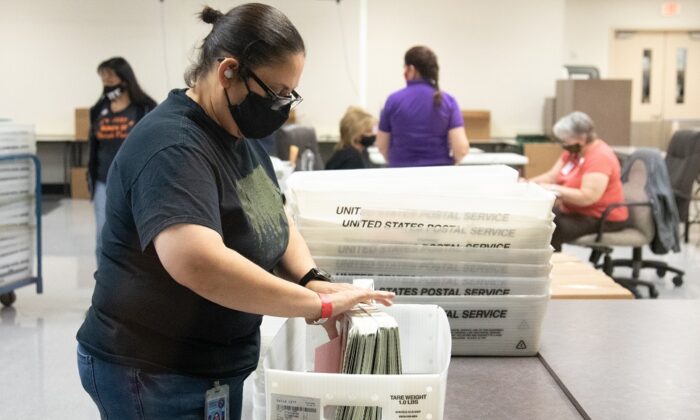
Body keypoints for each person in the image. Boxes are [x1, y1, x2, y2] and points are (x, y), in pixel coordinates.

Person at [76, 4, 394, 420]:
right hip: (153, 372)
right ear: (229, 71)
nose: (283, 105)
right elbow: (198, 262)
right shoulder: (172, 146)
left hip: (210, 365)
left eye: (290, 93)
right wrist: (316, 306)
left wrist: (311, 279)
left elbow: (274, 215)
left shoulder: (236, 135)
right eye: (277, 92)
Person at [87, 57, 157, 263]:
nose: (106, 80)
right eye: (103, 76)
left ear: (125, 79)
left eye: (110, 75)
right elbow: (94, 146)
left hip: (136, 182)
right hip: (103, 181)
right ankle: (104, 281)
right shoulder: (98, 110)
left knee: (136, 235)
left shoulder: (145, 108)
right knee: (102, 235)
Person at [528, 111, 629, 252]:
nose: (563, 144)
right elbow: (552, 176)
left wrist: (553, 189)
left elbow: (587, 197)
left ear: (581, 138)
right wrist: (527, 184)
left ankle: (552, 267)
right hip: (574, 211)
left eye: (565, 139)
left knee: (550, 227)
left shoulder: (600, 157)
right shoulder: (573, 152)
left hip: (601, 217)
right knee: (537, 216)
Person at [376, 46, 469, 167]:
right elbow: (461, 149)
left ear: (411, 69)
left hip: (400, 175)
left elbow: (382, 146)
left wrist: (397, 162)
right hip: (438, 175)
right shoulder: (448, 101)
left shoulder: (393, 100)